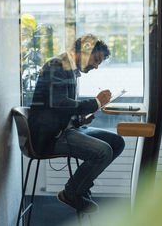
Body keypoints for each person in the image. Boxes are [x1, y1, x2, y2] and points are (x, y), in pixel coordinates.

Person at [28, 34, 125, 213]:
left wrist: (79, 119)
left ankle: (79, 187)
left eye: (99, 63)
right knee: (103, 152)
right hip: (50, 137)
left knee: (118, 142)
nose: (96, 66)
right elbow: (60, 103)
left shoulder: (68, 69)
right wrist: (96, 103)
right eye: (96, 60)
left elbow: (60, 107)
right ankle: (72, 192)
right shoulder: (56, 65)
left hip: (64, 129)